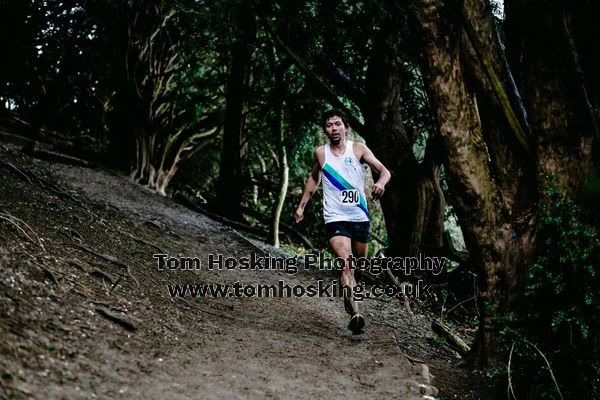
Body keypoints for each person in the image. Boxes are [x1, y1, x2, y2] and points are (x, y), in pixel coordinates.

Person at [293, 109, 391, 334]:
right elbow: (314, 178)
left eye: (338, 124)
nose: (334, 128)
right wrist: (301, 206)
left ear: (346, 128)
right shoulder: (321, 153)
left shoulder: (358, 149)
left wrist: (381, 184)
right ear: (325, 130)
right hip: (335, 217)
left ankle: (352, 297)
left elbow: (384, 171)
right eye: (329, 125)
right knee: (346, 263)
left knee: (361, 266)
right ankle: (355, 313)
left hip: (359, 216)